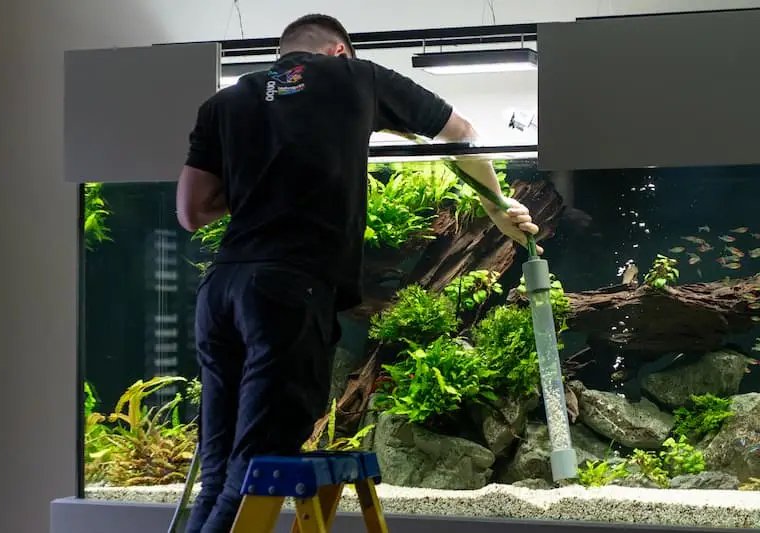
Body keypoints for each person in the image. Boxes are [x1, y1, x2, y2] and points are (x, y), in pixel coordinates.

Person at [175, 13, 540, 532]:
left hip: (222, 290)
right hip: (287, 289)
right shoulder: (358, 77)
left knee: (216, 472)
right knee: (255, 467)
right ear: (340, 51)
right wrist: (496, 206)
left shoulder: (225, 102)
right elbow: (460, 134)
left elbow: (191, 211)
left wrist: (262, 184)